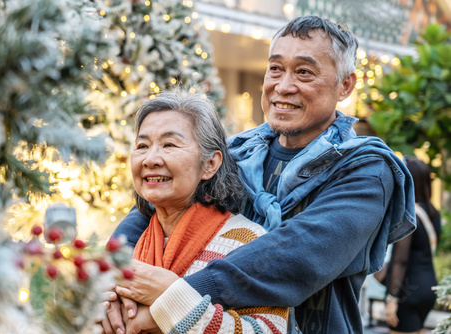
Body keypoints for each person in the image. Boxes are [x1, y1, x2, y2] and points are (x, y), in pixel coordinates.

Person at [108, 16, 417, 334]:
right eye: (275, 69)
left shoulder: (365, 169)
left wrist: (176, 298)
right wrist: (112, 282)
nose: (283, 86)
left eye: (304, 72)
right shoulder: (235, 154)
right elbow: (148, 212)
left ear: (346, 85)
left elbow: (296, 255)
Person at [100, 90, 290, 334]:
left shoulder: (247, 240)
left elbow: (271, 330)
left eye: (169, 144)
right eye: (142, 145)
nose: (150, 159)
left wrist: (172, 301)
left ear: (210, 164)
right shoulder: (131, 246)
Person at [384, 157, 441, 334]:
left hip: (407, 291)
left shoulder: (410, 216)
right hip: (429, 287)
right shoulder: (434, 213)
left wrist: (392, 298)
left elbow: (401, 260)